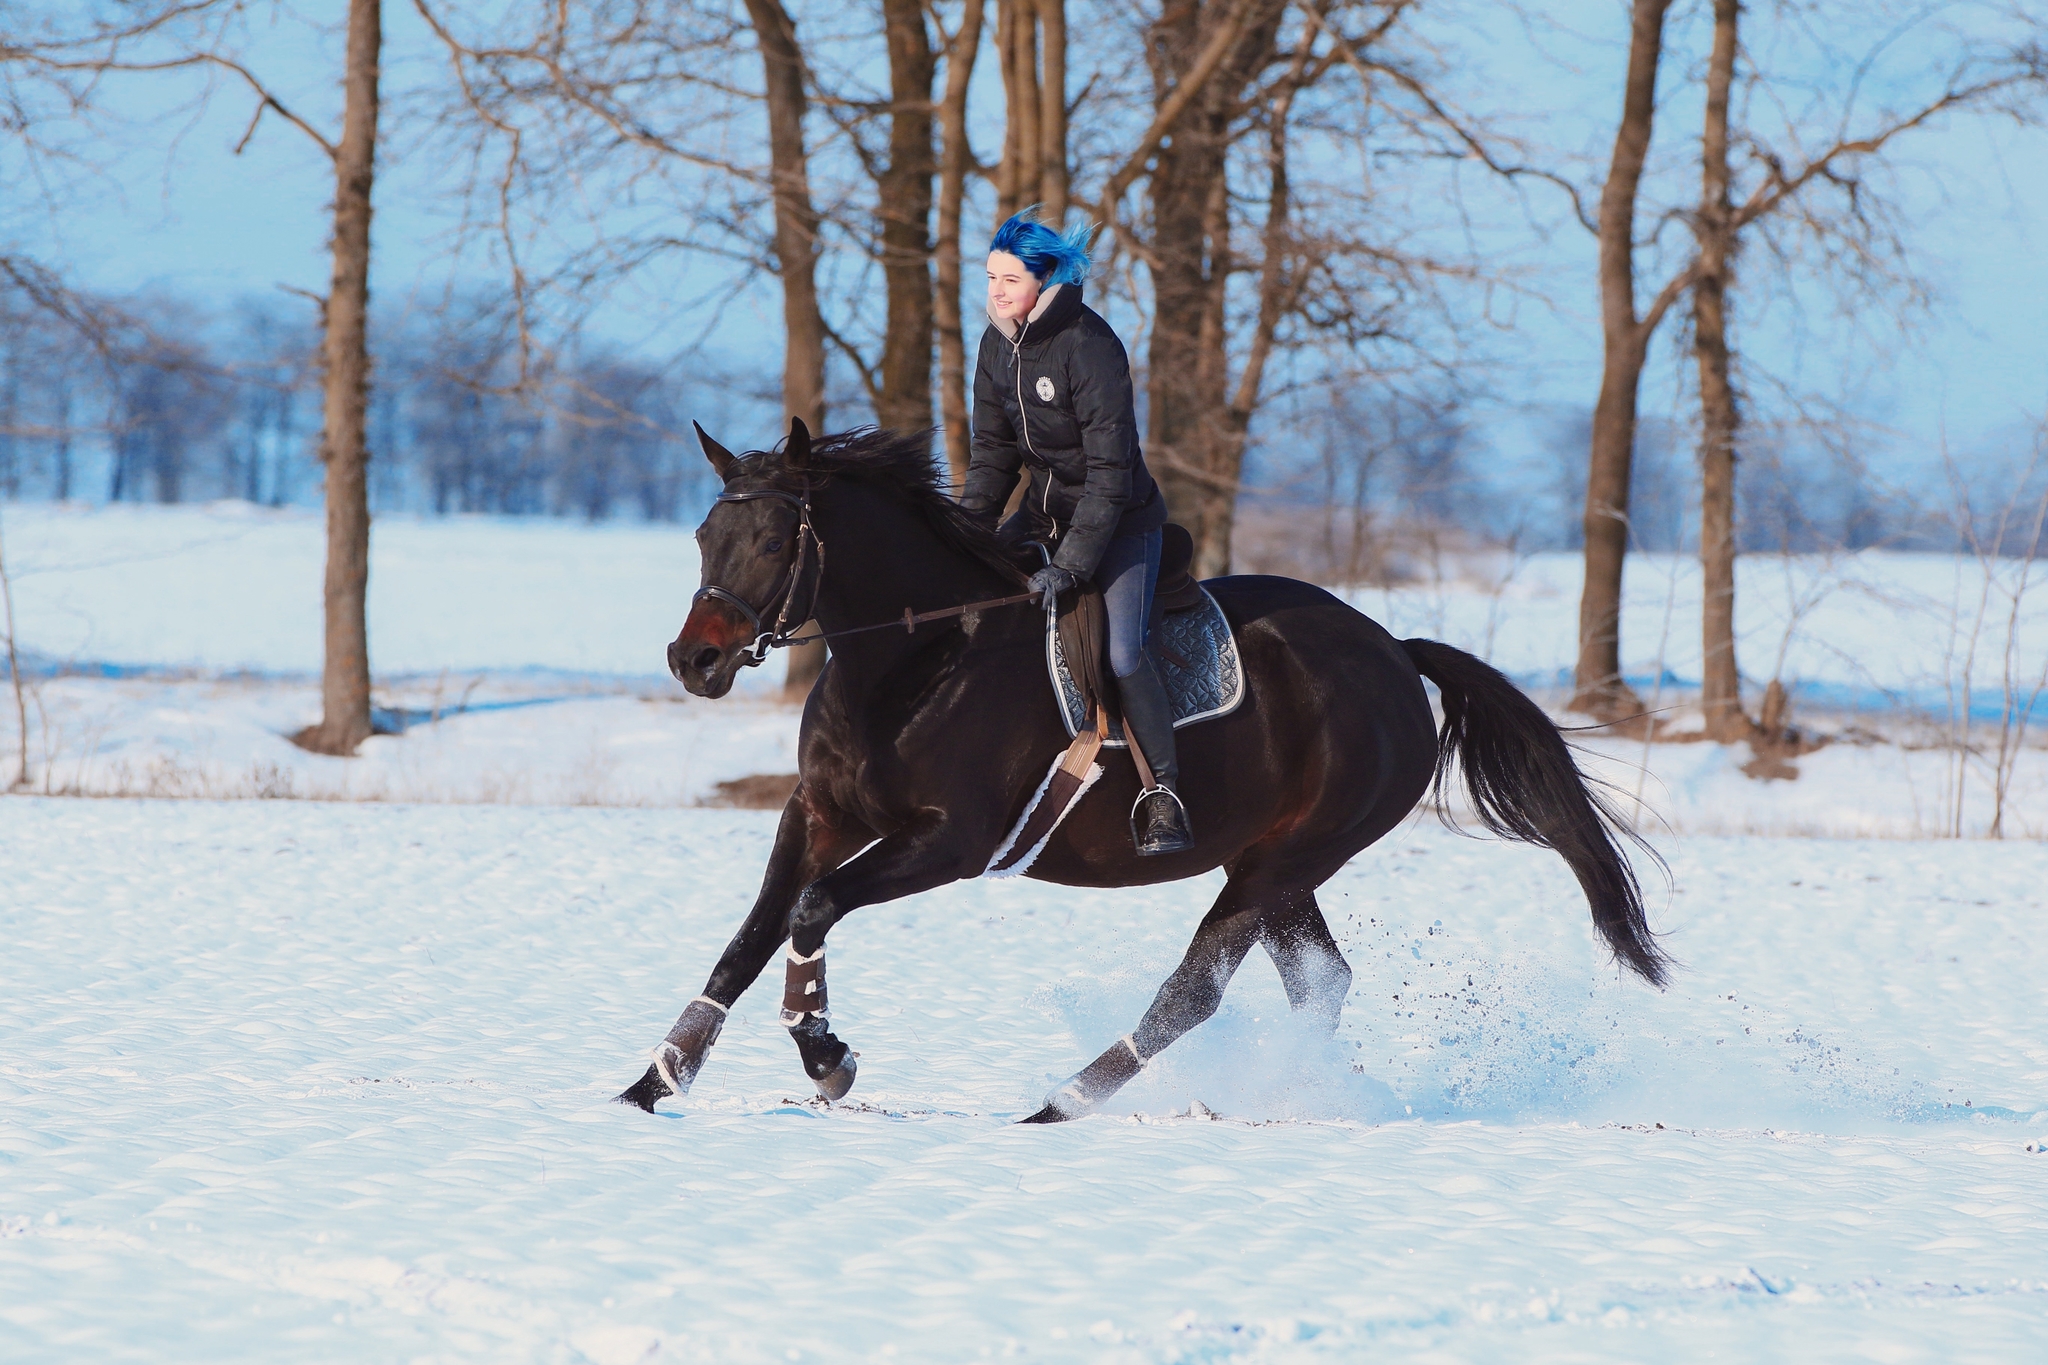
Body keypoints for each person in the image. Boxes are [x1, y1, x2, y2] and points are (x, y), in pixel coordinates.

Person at [962, 209, 1193, 857]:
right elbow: (991, 459)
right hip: (1043, 513)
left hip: (1119, 523)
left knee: (1122, 653)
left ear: (1046, 280)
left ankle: (1163, 794)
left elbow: (1110, 472)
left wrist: (1073, 561)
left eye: (1010, 278)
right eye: (990, 276)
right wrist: (965, 535)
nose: (997, 289)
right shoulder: (993, 345)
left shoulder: (1090, 345)